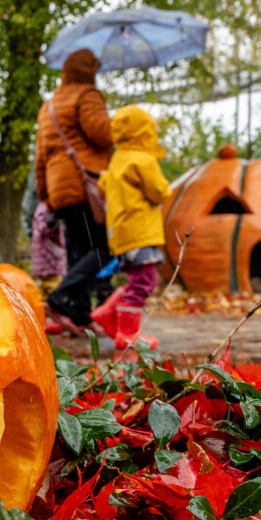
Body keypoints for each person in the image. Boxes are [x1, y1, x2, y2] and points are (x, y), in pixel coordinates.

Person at [35, 48, 114, 334]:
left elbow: (40, 155)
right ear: (88, 70)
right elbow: (101, 133)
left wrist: (46, 195)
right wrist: (123, 125)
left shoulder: (49, 105)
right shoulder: (87, 95)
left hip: (59, 188)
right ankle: (58, 299)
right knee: (104, 249)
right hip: (85, 185)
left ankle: (79, 315)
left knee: (81, 251)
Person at [94, 105, 171, 350]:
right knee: (144, 281)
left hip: (122, 231)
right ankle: (127, 333)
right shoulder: (142, 159)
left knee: (138, 278)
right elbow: (159, 192)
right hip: (139, 230)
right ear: (144, 132)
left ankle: (107, 313)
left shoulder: (119, 158)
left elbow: (104, 184)